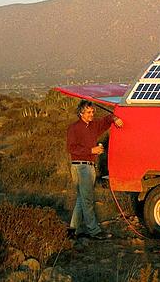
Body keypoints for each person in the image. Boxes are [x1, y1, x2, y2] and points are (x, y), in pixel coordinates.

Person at [67, 100, 123, 240]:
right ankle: (94, 231)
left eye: (92, 112)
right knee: (87, 200)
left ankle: (72, 230)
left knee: (81, 199)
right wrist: (91, 150)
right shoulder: (73, 128)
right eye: (88, 112)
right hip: (81, 167)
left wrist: (114, 118)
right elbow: (71, 148)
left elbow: (106, 120)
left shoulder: (94, 126)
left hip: (89, 166)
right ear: (81, 113)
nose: (91, 114)